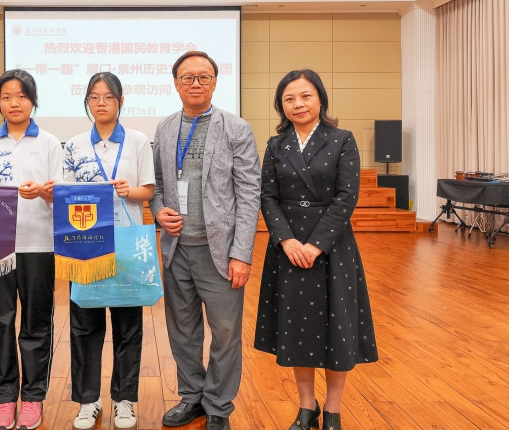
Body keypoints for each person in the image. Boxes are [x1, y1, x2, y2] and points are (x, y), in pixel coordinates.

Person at [254, 69, 378, 430]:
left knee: (338, 328)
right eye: (289, 98)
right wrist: (287, 240)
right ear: (281, 106)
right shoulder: (276, 145)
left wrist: (316, 245)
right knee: (298, 328)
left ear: (320, 99)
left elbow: (346, 197)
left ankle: (333, 410)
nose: (298, 104)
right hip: (289, 248)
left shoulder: (342, 139)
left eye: (305, 96)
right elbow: (268, 197)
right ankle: (307, 407)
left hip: (333, 247)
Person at [149, 51, 260, 430]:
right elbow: (157, 185)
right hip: (176, 249)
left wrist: (242, 254)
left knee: (225, 333)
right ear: (176, 83)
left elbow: (249, 193)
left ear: (214, 82)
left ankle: (218, 406)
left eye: (203, 77)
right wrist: (158, 210)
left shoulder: (236, 128)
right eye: (188, 77)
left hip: (221, 253)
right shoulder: (165, 127)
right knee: (183, 331)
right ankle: (191, 397)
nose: (195, 83)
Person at [0, 70, 63, 430]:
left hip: (39, 245)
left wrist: (44, 192)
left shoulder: (50, 143)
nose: (14, 103)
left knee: (36, 323)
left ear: (33, 101)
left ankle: (33, 397)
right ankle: (5, 398)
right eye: (6, 97)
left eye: (21, 96)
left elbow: (62, 195)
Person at [63, 72, 155, 430]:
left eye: (108, 97)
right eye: (94, 97)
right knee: (84, 325)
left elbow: (148, 190)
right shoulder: (73, 145)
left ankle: (124, 399)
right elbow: (65, 196)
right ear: (87, 102)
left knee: (128, 325)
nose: (101, 103)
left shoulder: (138, 141)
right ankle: (88, 400)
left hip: (126, 244)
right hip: (84, 244)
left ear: (120, 101)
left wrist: (128, 191)